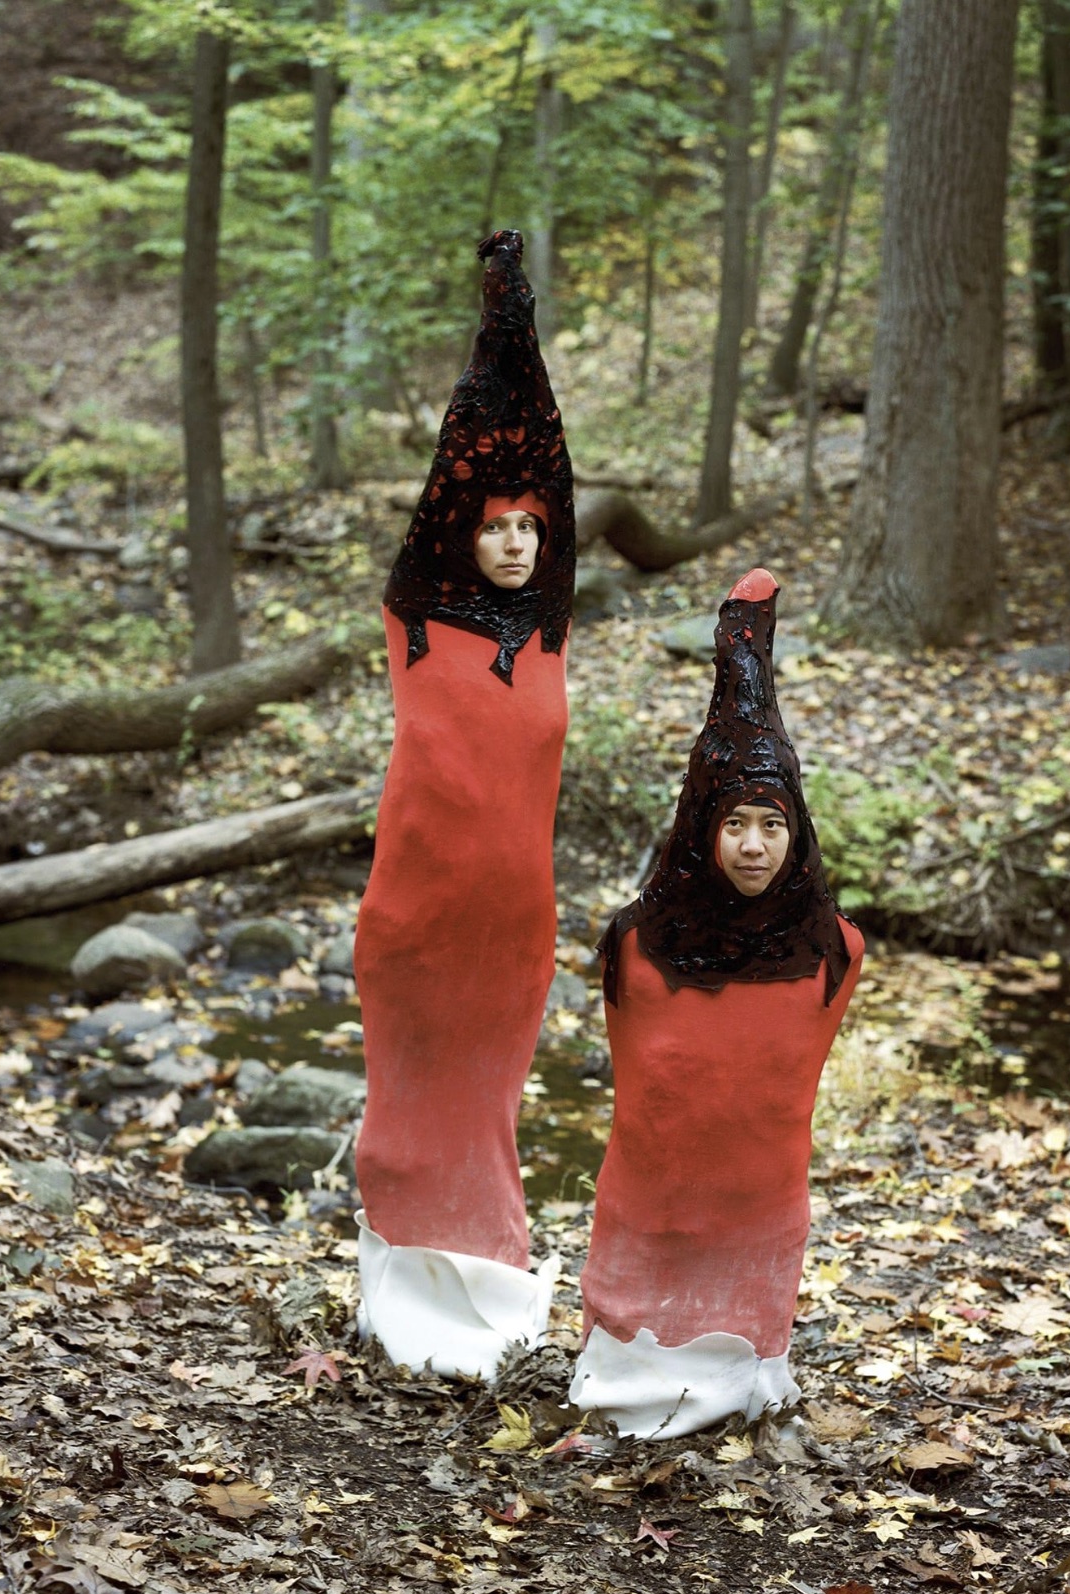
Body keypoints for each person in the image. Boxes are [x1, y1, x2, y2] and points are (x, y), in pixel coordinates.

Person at [570, 567, 863, 1438]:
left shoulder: (834, 951)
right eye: (735, 822)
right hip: (648, 1222)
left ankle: (742, 1379)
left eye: (773, 824)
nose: (753, 844)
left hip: (758, 1225)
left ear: (798, 834)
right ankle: (630, 1377)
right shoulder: (634, 945)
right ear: (702, 831)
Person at [353, 230, 574, 1379]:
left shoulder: (549, 632)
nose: (514, 538)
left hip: (511, 924)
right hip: (416, 917)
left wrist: (522, 342)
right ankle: (400, 1300)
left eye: (529, 526)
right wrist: (500, 322)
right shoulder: (416, 620)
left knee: (487, 1105)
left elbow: (556, 480)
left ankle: (485, 1291)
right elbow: (458, 469)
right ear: (463, 533)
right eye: (496, 524)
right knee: (408, 1110)